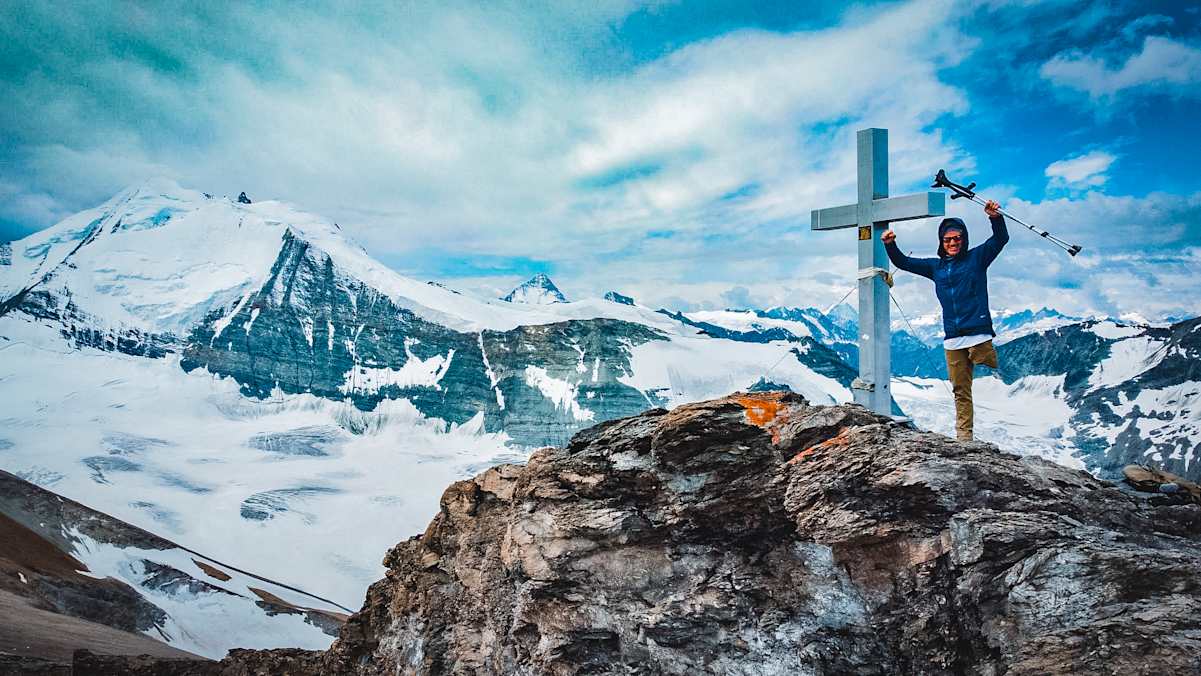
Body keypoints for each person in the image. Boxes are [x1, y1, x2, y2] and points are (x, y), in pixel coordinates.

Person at [881, 200, 1008, 441]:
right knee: (960, 390)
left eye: (957, 238)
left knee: (997, 374)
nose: (952, 243)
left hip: (978, 332)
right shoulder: (935, 267)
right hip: (953, 338)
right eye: (948, 239)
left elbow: (999, 240)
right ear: (941, 241)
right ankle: (964, 437)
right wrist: (890, 244)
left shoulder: (977, 258)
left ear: (964, 239)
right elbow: (903, 263)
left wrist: (995, 218)